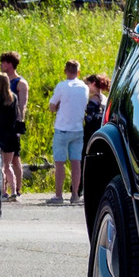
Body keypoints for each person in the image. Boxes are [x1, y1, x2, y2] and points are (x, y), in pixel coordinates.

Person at [48, 61, 89, 204]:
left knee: (60, 163)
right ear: (78, 72)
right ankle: (75, 195)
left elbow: (52, 106)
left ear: (65, 71)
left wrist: (59, 105)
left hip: (62, 128)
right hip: (78, 128)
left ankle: (59, 195)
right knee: (76, 162)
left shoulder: (62, 86)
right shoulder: (84, 87)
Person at [0, 52, 29, 202]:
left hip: (12, 125)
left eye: (3, 62)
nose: (1, 65)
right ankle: (5, 188)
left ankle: (17, 188)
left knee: (15, 159)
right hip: (6, 126)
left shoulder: (20, 83)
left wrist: (19, 124)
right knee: (7, 162)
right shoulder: (3, 83)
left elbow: (22, 105)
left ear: (9, 64)